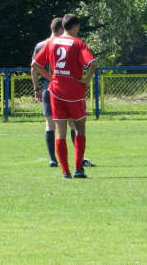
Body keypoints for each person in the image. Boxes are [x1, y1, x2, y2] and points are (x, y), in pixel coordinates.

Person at [31, 14, 97, 179]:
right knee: (79, 128)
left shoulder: (51, 42)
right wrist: (87, 81)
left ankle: (65, 172)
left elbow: (35, 65)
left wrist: (50, 77)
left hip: (56, 91)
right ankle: (78, 169)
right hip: (74, 91)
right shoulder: (78, 43)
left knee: (60, 131)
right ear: (74, 27)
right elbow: (92, 63)